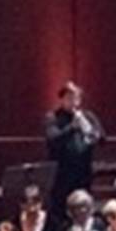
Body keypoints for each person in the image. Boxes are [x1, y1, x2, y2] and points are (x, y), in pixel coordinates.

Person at [45, 81, 102, 216]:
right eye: (69, 98)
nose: (73, 102)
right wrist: (72, 127)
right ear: (62, 99)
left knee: (84, 203)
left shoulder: (88, 116)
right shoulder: (53, 117)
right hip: (62, 171)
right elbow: (52, 139)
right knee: (60, 206)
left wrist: (91, 131)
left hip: (83, 170)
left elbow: (101, 137)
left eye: (76, 98)